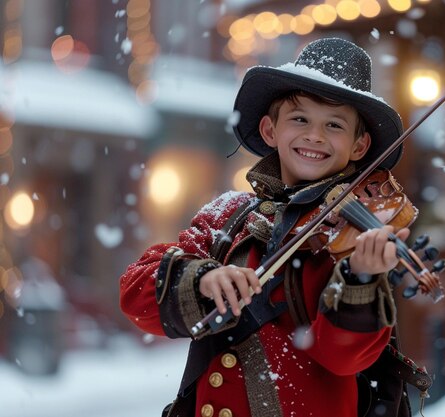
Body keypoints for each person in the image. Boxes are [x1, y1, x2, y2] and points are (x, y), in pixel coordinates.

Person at [120, 37, 414, 417]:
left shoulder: (352, 241)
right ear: (270, 130)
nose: (315, 135)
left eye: (335, 125)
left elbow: (344, 359)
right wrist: (203, 280)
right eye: (300, 119)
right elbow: (135, 295)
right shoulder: (228, 216)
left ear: (359, 146)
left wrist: (360, 279)